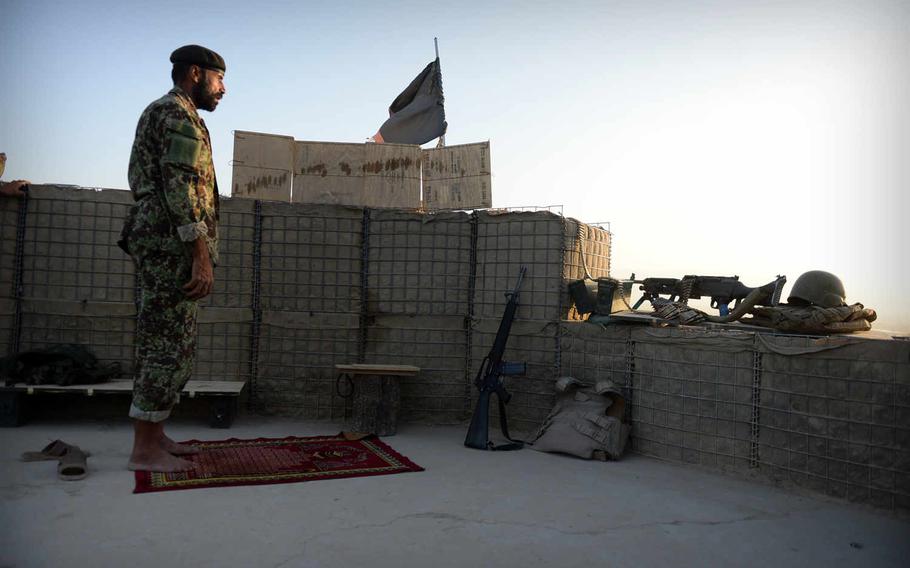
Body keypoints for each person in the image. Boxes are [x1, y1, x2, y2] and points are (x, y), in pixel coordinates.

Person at [120, 45, 226, 472]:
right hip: (171, 246)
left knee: (168, 343)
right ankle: (144, 452)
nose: (224, 89)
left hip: (166, 243)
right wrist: (200, 254)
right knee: (165, 347)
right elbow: (181, 189)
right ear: (196, 74)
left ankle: (156, 436)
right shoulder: (176, 114)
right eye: (219, 80)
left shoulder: (175, 113)